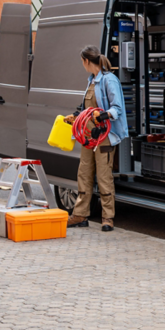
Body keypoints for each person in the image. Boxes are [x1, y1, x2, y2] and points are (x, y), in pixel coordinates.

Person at [64, 45, 127, 232]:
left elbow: (117, 108)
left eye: (81, 62)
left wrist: (103, 116)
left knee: (104, 176)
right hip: (88, 137)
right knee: (84, 174)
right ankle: (80, 215)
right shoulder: (91, 81)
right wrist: (76, 115)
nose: (82, 65)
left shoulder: (109, 80)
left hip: (104, 137)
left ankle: (108, 218)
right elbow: (87, 109)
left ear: (86, 61)